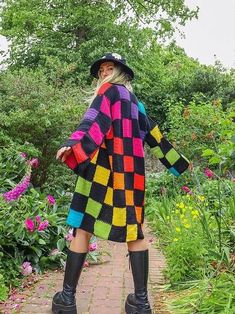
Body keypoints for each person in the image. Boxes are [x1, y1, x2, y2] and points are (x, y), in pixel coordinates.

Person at [52, 53, 189, 314]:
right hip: (129, 176)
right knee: (134, 230)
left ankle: (66, 300)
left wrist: (73, 145)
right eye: (102, 69)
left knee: (83, 227)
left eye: (109, 68)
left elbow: (92, 122)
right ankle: (141, 303)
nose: (104, 73)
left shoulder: (107, 93)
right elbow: (155, 135)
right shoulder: (135, 101)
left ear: (120, 72)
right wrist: (178, 163)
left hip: (101, 173)